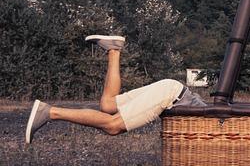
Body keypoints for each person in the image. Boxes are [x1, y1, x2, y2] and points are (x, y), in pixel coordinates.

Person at [25, 35, 206, 144]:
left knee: (108, 104)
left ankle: (114, 50)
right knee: (113, 126)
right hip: (171, 95)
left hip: (173, 90)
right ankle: (50, 112)